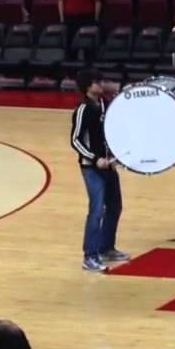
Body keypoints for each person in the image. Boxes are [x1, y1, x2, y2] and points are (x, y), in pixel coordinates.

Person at [70, 68, 126, 273]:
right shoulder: (83, 109)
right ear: (88, 86)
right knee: (96, 210)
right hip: (92, 168)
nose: (101, 84)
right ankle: (90, 256)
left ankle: (106, 248)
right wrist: (95, 159)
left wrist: (115, 154)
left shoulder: (104, 105)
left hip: (108, 165)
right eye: (97, 81)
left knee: (115, 206)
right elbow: (75, 140)